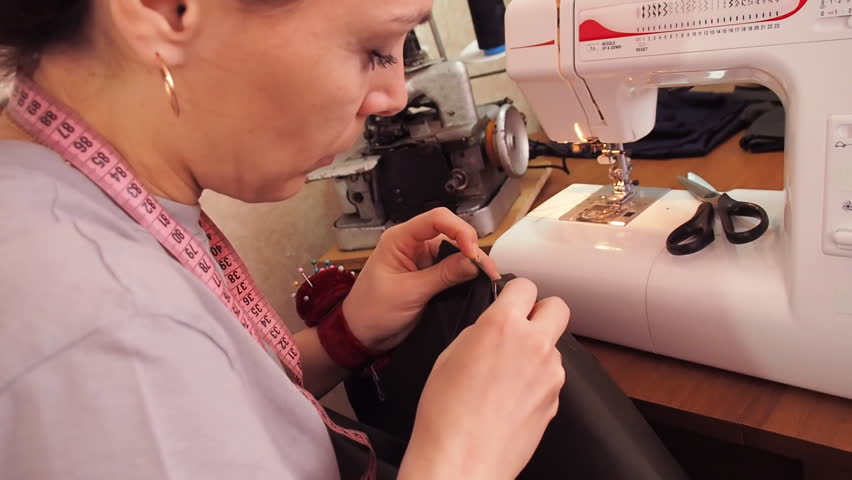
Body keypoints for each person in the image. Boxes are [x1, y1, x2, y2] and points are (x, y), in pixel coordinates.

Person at [0, 1, 571, 479]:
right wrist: (463, 460)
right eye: (374, 49)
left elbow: (205, 401)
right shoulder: (100, 330)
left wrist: (345, 339)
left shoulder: (62, 195)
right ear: (164, 10)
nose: (395, 96)